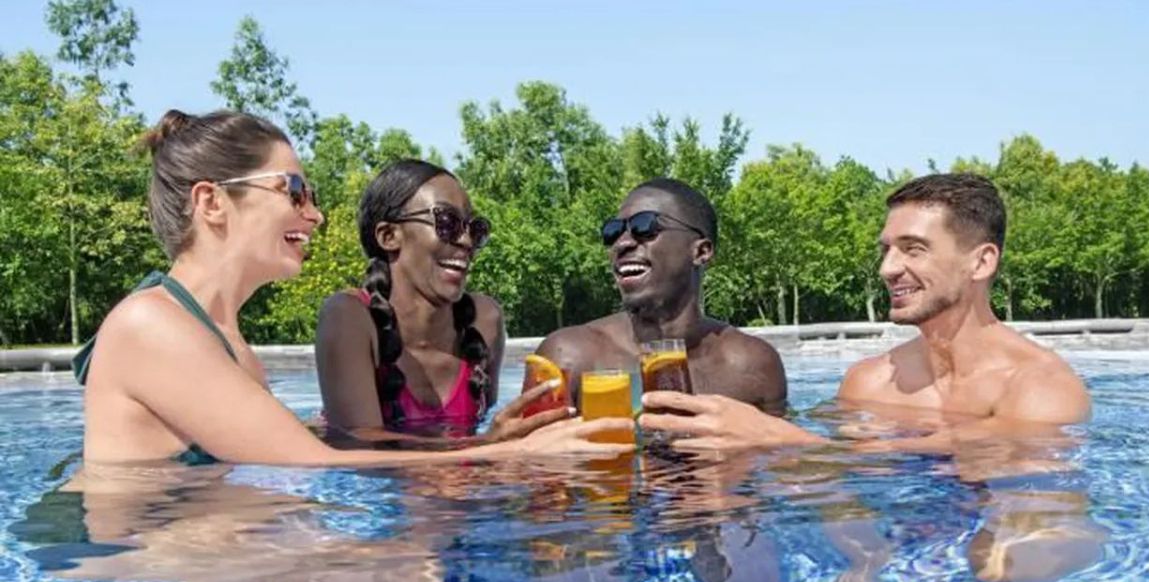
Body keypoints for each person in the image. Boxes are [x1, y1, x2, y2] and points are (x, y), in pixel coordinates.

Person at [73, 109, 632, 467]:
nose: (314, 216)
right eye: (294, 192)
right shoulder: (152, 326)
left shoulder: (223, 340)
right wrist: (504, 455)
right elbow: (315, 461)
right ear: (211, 202)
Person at [640, 172, 1091, 448]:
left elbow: (1033, 518)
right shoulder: (869, 381)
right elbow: (839, 485)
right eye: (887, 249)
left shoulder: (1042, 391)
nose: (888, 268)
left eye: (913, 249)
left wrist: (774, 437)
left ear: (982, 261)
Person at [317, 160, 557, 440]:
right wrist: (485, 446)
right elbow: (361, 447)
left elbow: (492, 426)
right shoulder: (350, 318)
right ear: (389, 236)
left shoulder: (485, 320)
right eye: (447, 222)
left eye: (475, 229)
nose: (466, 241)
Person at [531, 177, 787, 414]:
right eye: (613, 231)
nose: (622, 243)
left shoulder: (752, 365)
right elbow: (526, 458)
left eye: (645, 227)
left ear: (701, 251)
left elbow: (784, 459)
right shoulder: (571, 356)